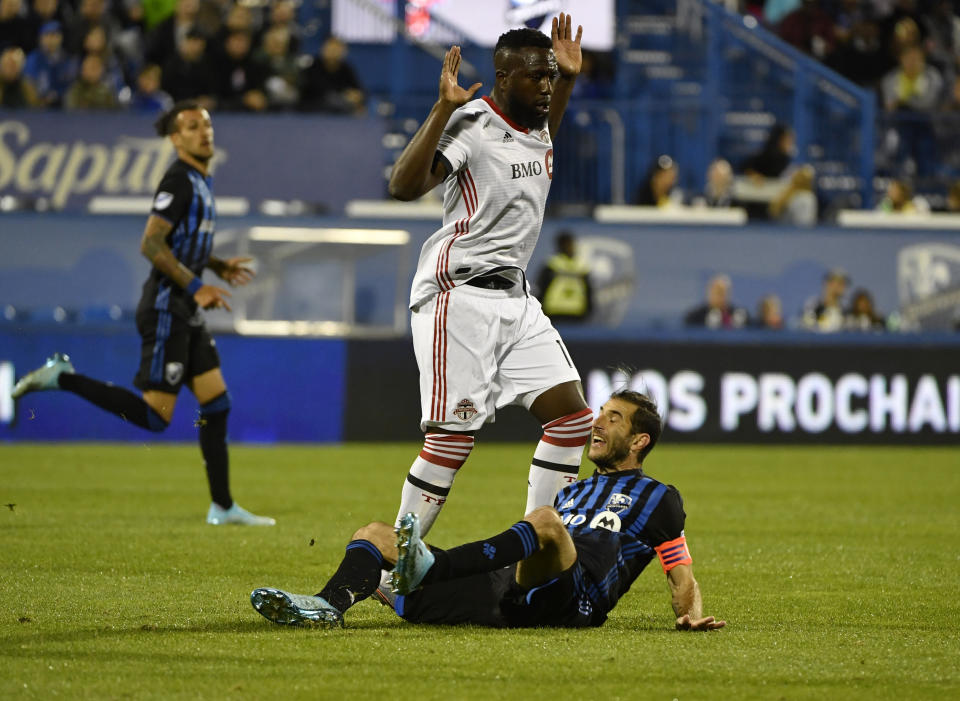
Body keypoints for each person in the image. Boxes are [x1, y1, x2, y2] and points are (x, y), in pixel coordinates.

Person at [250, 390, 725, 632]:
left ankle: (432, 568)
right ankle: (328, 606)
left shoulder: (659, 497)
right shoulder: (574, 492)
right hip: (512, 590)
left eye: (612, 418)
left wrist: (689, 615)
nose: (596, 423)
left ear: (639, 441)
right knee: (375, 535)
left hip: (573, 602)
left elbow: (679, 571)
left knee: (544, 521)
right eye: (598, 413)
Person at [11, 101, 274, 527]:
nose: (204, 132)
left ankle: (222, 507)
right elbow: (151, 244)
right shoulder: (179, 180)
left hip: (184, 309)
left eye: (206, 124)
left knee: (217, 403)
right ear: (176, 139)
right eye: (192, 126)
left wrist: (217, 265)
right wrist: (195, 284)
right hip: (167, 308)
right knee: (156, 417)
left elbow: (185, 243)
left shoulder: (201, 181)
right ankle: (63, 377)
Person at [384, 15, 594, 541]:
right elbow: (403, 186)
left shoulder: (539, 125)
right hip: (459, 296)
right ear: (504, 79)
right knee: (453, 441)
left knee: (571, 422)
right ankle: (392, 568)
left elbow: (538, 142)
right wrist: (441, 109)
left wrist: (567, 77)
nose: (545, 85)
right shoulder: (473, 125)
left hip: (517, 299)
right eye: (536, 76)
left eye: (550, 76)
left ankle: (539, 544)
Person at [536, 231, 592, 322]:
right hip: (554, 312)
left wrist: (588, 311)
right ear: (560, 246)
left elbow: (588, 291)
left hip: (577, 312)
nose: (570, 247)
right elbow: (542, 288)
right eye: (567, 244)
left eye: (571, 244)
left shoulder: (581, 267)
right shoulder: (552, 264)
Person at [684, 274, 748, 329]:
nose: (720, 296)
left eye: (723, 292)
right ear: (709, 292)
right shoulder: (697, 316)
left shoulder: (737, 313)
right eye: (716, 292)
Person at [802, 267, 849, 332]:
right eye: (839, 283)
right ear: (828, 283)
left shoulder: (846, 310)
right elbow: (807, 327)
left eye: (844, 283)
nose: (843, 287)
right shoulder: (814, 306)